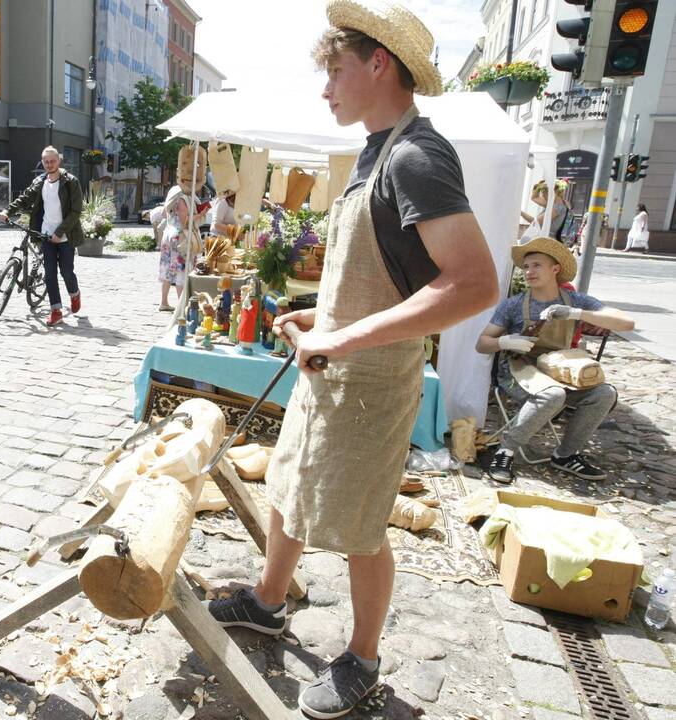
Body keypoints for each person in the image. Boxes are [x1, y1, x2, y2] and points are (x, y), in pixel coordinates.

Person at [204, 4, 500, 718]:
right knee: (290, 486)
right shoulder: (375, 150)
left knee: (361, 527)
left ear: (378, 64)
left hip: (367, 382)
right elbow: (390, 273)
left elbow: (472, 283)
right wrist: (322, 317)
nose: (325, 88)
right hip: (329, 368)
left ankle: (363, 656)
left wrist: (340, 339)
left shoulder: (416, 156)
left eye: (334, 70)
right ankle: (269, 602)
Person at [477, 237, 634, 484]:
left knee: (603, 393)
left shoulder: (577, 301)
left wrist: (577, 314)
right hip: (519, 370)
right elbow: (481, 343)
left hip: (559, 369)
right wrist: (504, 342)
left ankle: (565, 455)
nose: (529, 271)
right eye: (526, 267)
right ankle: (504, 451)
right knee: (553, 395)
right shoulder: (514, 305)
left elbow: (626, 323)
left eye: (536, 265)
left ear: (555, 269)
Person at [0, 146, 84, 327]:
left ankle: (74, 294)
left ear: (59, 161)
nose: (49, 164)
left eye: (52, 161)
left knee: (67, 272)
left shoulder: (70, 182)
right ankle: (56, 311)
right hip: (45, 234)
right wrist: (7, 210)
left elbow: (76, 211)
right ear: (42, 162)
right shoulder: (40, 181)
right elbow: (25, 198)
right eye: (46, 161)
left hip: (65, 235)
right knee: (50, 275)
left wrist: (59, 232)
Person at [158, 185, 201, 311]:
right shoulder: (183, 197)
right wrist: (201, 214)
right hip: (179, 237)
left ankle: (164, 302)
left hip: (169, 233)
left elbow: (164, 213)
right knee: (180, 271)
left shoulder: (173, 192)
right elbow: (184, 221)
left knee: (168, 270)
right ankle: (181, 306)